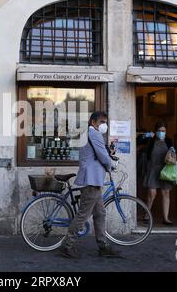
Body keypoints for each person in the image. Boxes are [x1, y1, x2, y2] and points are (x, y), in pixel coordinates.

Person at [58, 111, 119, 259]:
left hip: (94, 179)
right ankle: (67, 245)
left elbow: (98, 153)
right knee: (83, 215)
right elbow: (103, 156)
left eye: (105, 122)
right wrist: (111, 165)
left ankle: (102, 245)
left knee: (100, 213)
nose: (104, 125)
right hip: (92, 180)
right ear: (93, 122)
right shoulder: (94, 134)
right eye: (102, 122)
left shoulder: (89, 134)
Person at [141, 121, 175, 225]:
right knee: (152, 193)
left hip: (166, 170)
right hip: (153, 168)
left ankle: (166, 218)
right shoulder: (151, 140)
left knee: (166, 193)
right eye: (159, 131)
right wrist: (145, 135)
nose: (161, 133)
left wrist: (173, 151)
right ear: (155, 131)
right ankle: (147, 215)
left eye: (163, 131)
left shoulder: (169, 141)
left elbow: (173, 154)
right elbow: (137, 140)